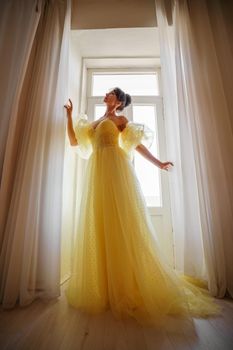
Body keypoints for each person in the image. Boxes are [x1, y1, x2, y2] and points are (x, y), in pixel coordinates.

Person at [64, 87, 220, 327]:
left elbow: (136, 146)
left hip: (116, 173)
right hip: (97, 176)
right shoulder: (96, 122)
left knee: (121, 224)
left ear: (118, 101)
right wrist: (69, 116)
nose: (106, 95)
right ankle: (105, 288)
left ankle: (126, 286)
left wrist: (158, 164)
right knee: (100, 224)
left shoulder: (120, 120)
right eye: (106, 93)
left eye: (111, 94)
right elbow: (74, 141)